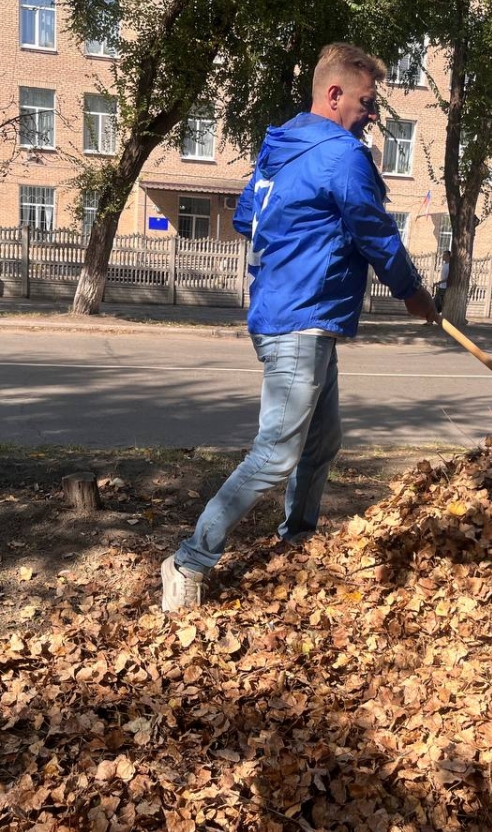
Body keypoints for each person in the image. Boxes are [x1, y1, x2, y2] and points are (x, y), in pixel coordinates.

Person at [160, 42, 438, 611]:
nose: (372, 116)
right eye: (365, 102)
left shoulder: (279, 151)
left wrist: (304, 241)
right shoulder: (341, 156)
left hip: (292, 315)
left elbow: (246, 219)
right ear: (334, 95)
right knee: (276, 453)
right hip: (300, 320)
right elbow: (375, 232)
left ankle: (298, 539)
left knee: (321, 442)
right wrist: (412, 292)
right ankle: (190, 560)